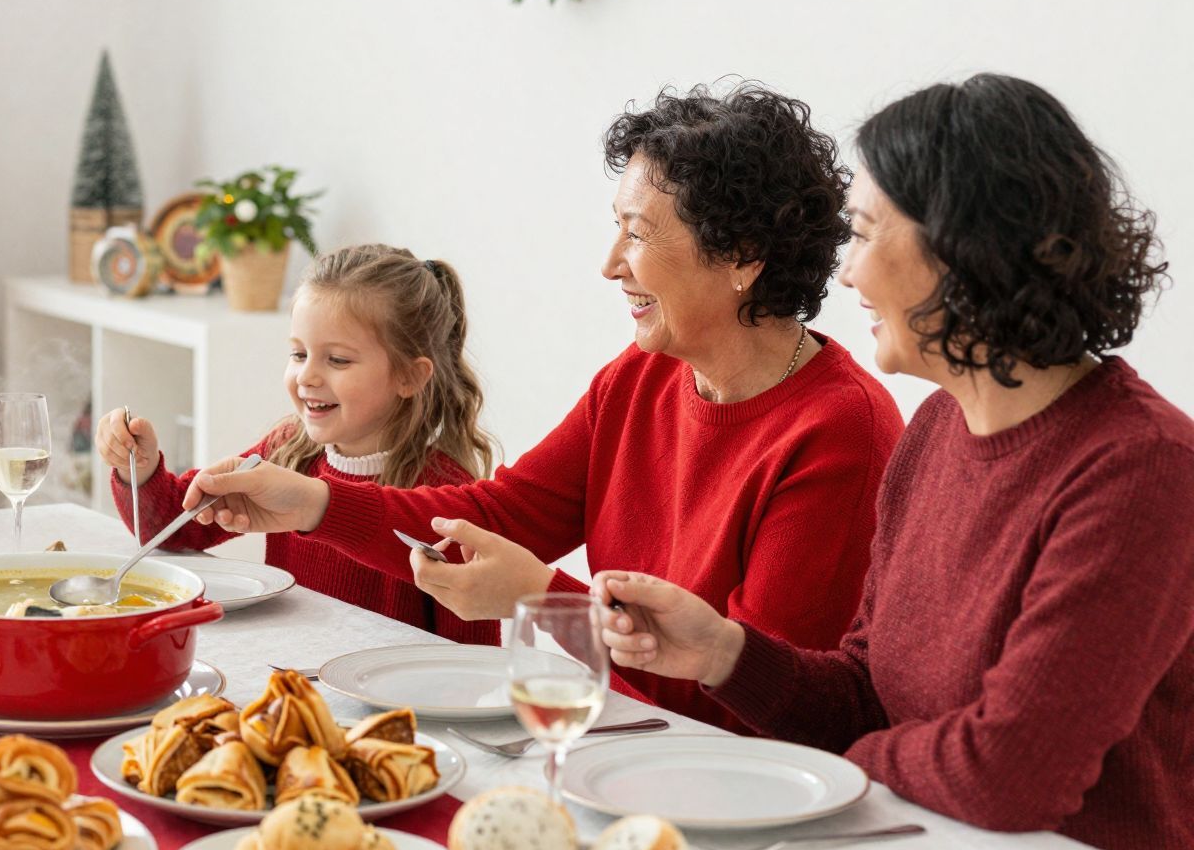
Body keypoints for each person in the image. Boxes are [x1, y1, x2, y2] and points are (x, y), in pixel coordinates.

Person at [598, 75, 1194, 850]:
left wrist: (847, 766)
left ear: (962, 247)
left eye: (865, 234)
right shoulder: (937, 429)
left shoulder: (1142, 469)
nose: (845, 275)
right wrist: (723, 653)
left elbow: (1010, 773)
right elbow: (865, 694)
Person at [184, 84, 903, 731]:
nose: (610, 263)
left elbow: (762, 709)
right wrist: (312, 502)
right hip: (621, 738)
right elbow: (498, 514)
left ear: (742, 254)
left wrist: (544, 601)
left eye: (637, 233)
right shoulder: (639, 378)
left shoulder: (839, 430)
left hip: (733, 782)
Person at [99, 244, 498, 641]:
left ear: (409, 377)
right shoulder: (286, 451)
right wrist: (139, 467)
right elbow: (171, 531)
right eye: (298, 353)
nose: (307, 376)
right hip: (290, 671)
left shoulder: (446, 498)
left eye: (338, 360)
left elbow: (476, 656)